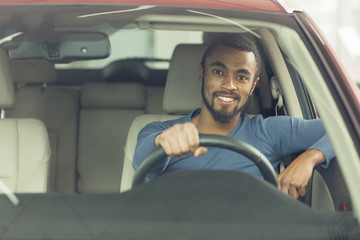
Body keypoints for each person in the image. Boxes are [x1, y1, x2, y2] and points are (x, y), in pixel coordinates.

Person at [133, 33, 335, 199]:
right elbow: (143, 159)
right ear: (202, 75)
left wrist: (310, 158)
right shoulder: (158, 131)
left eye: (241, 77)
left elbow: (345, 130)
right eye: (219, 72)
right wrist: (163, 143)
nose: (229, 85)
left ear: (253, 85)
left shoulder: (270, 131)